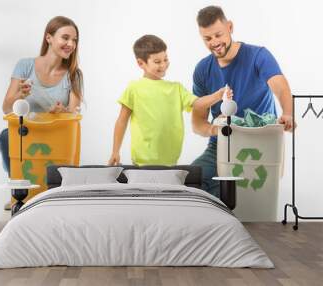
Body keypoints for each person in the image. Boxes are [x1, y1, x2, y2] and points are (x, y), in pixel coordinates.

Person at [190, 6, 294, 198]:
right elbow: (197, 124)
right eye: (207, 38)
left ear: (230, 27)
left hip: (259, 140)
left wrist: (287, 113)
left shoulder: (258, 56)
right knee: (190, 180)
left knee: (245, 196)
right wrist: (215, 129)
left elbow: (280, 86)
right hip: (221, 145)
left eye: (218, 35)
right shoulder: (202, 70)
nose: (214, 43)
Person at [108, 35, 232, 166]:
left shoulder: (176, 88)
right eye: (157, 62)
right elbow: (122, 121)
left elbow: (198, 104)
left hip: (170, 162)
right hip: (141, 162)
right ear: (141, 63)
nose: (163, 64)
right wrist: (115, 151)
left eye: (165, 59)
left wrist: (218, 95)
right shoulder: (134, 88)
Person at [0, 16, 83, 209]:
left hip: (57, 134)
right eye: (65, 38)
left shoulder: (73, 74)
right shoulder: (25, 66)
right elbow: (6, 108)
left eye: (75, 40)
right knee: (5, 137)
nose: (71, 44)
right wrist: (19, 94)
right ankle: (18, 187)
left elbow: (73, 112)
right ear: (49, 38)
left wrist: (62, 111)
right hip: (26, 133)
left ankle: (53, 195)